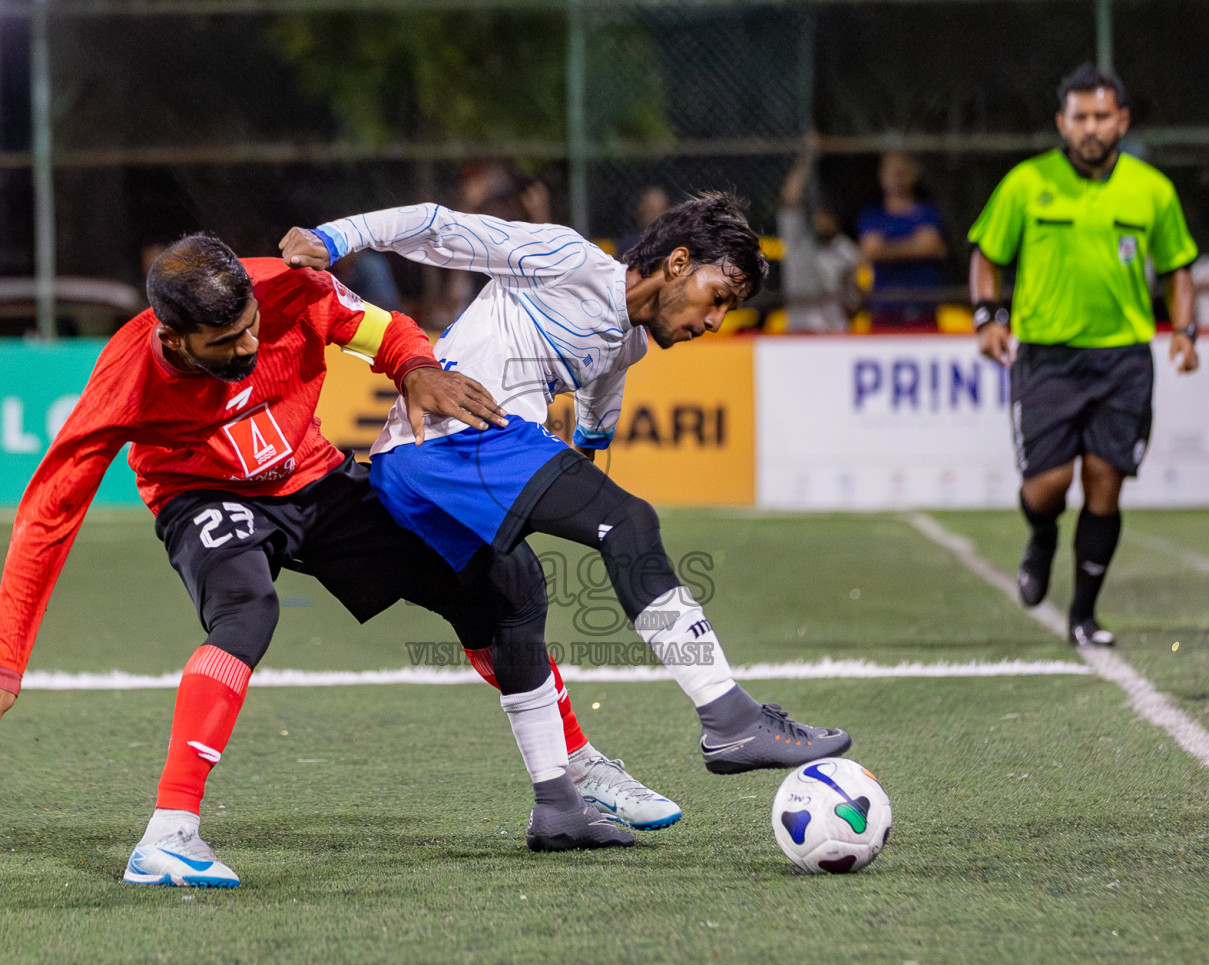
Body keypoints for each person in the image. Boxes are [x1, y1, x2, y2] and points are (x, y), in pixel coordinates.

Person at [0, 235, 675, 889]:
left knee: (495, 579)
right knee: (247, 611)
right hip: (202, 495)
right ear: (172, 339)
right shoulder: (125, 380)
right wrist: (4, 659)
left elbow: (382, 330)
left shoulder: (289, 289)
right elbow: (49, 513)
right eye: (227, 341)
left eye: (252, 327)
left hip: (314, 479)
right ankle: (168, 834)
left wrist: (415, 365)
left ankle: (571, 769)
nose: (249, 344)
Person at [281, 193, 852, 777]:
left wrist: (582, 455)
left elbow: (597, 413)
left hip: (429, 462)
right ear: (678, 263)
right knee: (627, 523)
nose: (713, 322)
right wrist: (332, 238)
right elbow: (438, 225)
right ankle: (729, 718)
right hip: (456, 440)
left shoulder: (626, 343)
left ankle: (561, 798)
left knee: (514, 603)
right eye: (718, 298)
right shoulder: (568, 259)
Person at [969, 62, 1199, 647]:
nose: (1091, 127)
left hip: (1123, 360)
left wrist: (1186, 330)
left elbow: (1179, 268)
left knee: (1105, 481)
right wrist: (986, 318)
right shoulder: (1026, 182)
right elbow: (986, 254)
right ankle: (1041, 536)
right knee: (1046, 485)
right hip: (1046, 356)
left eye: (1101, 115)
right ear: (1061, 123)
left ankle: (1084, 615)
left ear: (1121, 120)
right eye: (1079, 117)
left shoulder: (1153, 190)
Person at [779, 133, 862, 333]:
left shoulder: (848, 251)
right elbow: (790, 200)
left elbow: (853, 305)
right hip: (800, 333)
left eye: (828, 214)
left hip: (835, 334)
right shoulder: (798, 240)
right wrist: (808, 155)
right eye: (819, 212)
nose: (822, 218)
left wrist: (853, 293)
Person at [857, 152, 947, 327]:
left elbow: (931, 245)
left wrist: (886, 249)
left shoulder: (928, 212)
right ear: (881, 176)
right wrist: (915, 246)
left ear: (913, 175)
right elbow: (870, 250)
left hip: (923, 311)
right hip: (884, 312)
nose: (896, 178)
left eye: (901, 172)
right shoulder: (872, 215)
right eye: (891, 173)